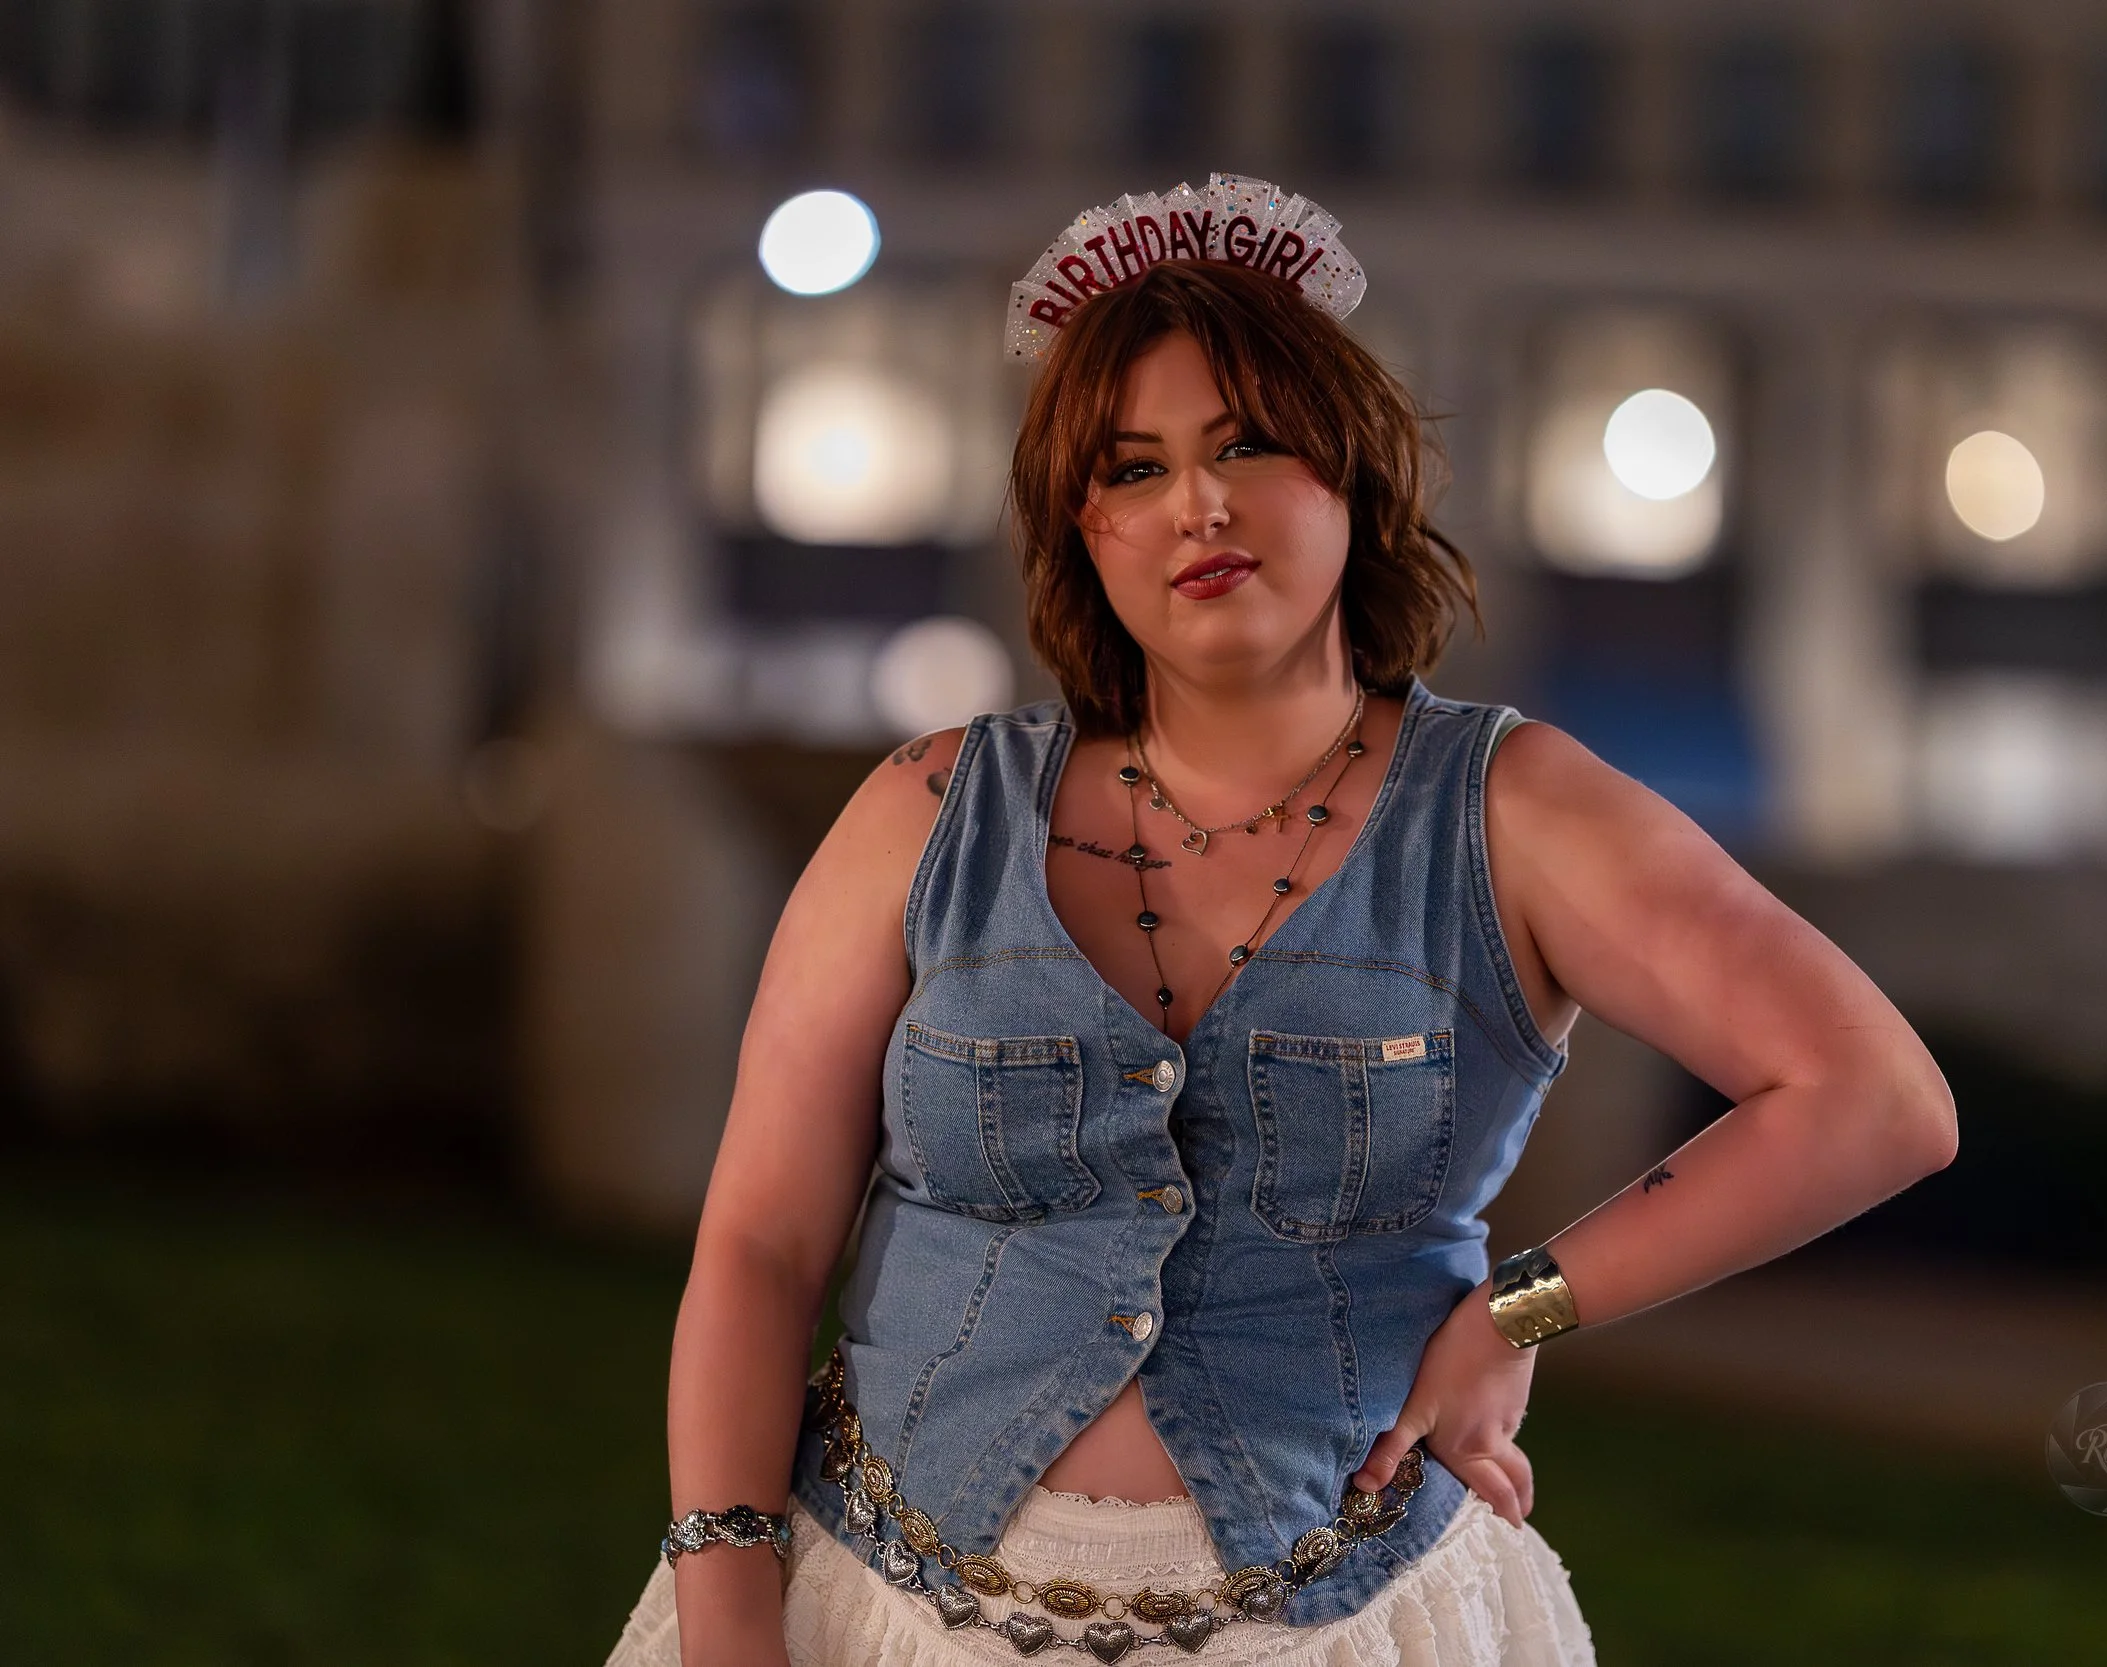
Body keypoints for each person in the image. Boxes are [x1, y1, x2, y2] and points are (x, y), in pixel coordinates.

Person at [608, 176, 1956, 1666]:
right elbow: (758, 1243)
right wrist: (731, 1615)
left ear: (1353, 476)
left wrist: (1519, 1312)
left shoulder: (1514, 814)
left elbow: (1873, 1097)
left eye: (1247, 441)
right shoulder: (928, 814)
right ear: (1086, 531)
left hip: (1346, 1627)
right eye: (1134, 467)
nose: (1198, 503)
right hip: (877, 1614)